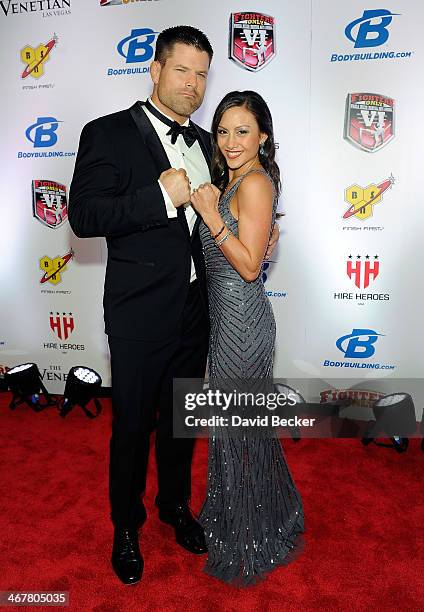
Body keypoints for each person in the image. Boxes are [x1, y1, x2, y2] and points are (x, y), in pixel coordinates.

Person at [68, 27, 279, 585]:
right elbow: (85, 217)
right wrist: (161, 195)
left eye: (203, 73)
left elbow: (236, 209)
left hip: (197, 310)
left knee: (182, 424)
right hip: (139, 314)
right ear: (156, 69)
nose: (193, 84)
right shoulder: (108, 133)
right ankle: (126, 525)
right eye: (182, 70)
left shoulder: (212, 144)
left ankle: (175, 506)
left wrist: (263, 233)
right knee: (133, 425)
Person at [190, 91, 304, 586]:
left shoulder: (254, 183)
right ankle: (257, 517)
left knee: (237, 428)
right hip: (226, 320)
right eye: (223, 131)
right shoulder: (231, 180)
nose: (231, 142)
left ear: (262, 136)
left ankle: (253, 532)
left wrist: (211, 215)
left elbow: (251, 265)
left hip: (244, 326)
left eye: (242, 131)